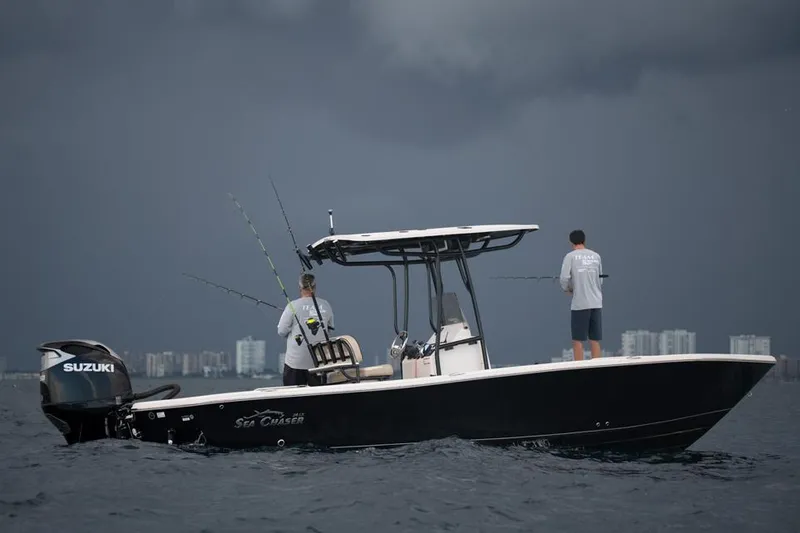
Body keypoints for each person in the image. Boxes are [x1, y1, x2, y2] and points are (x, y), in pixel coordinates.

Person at [277, 272, 335, 386]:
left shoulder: (292, 306)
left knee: (292, 398)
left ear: (300, 287)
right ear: (315, 287)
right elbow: (329, 330)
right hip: (319, 362)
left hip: (295, 363)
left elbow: (281, 331)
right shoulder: (326, 305)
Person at [559, 229, 603, 361]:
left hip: (580, 303)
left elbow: (564, 278)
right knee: (594, 339)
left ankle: (579, 367)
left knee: (578, 340)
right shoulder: (596, 256)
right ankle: (597, 366)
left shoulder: (570, 257)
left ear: (571, 242)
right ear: (584, 240)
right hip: (596, 302)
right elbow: (600, 280)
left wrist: (568, 289)